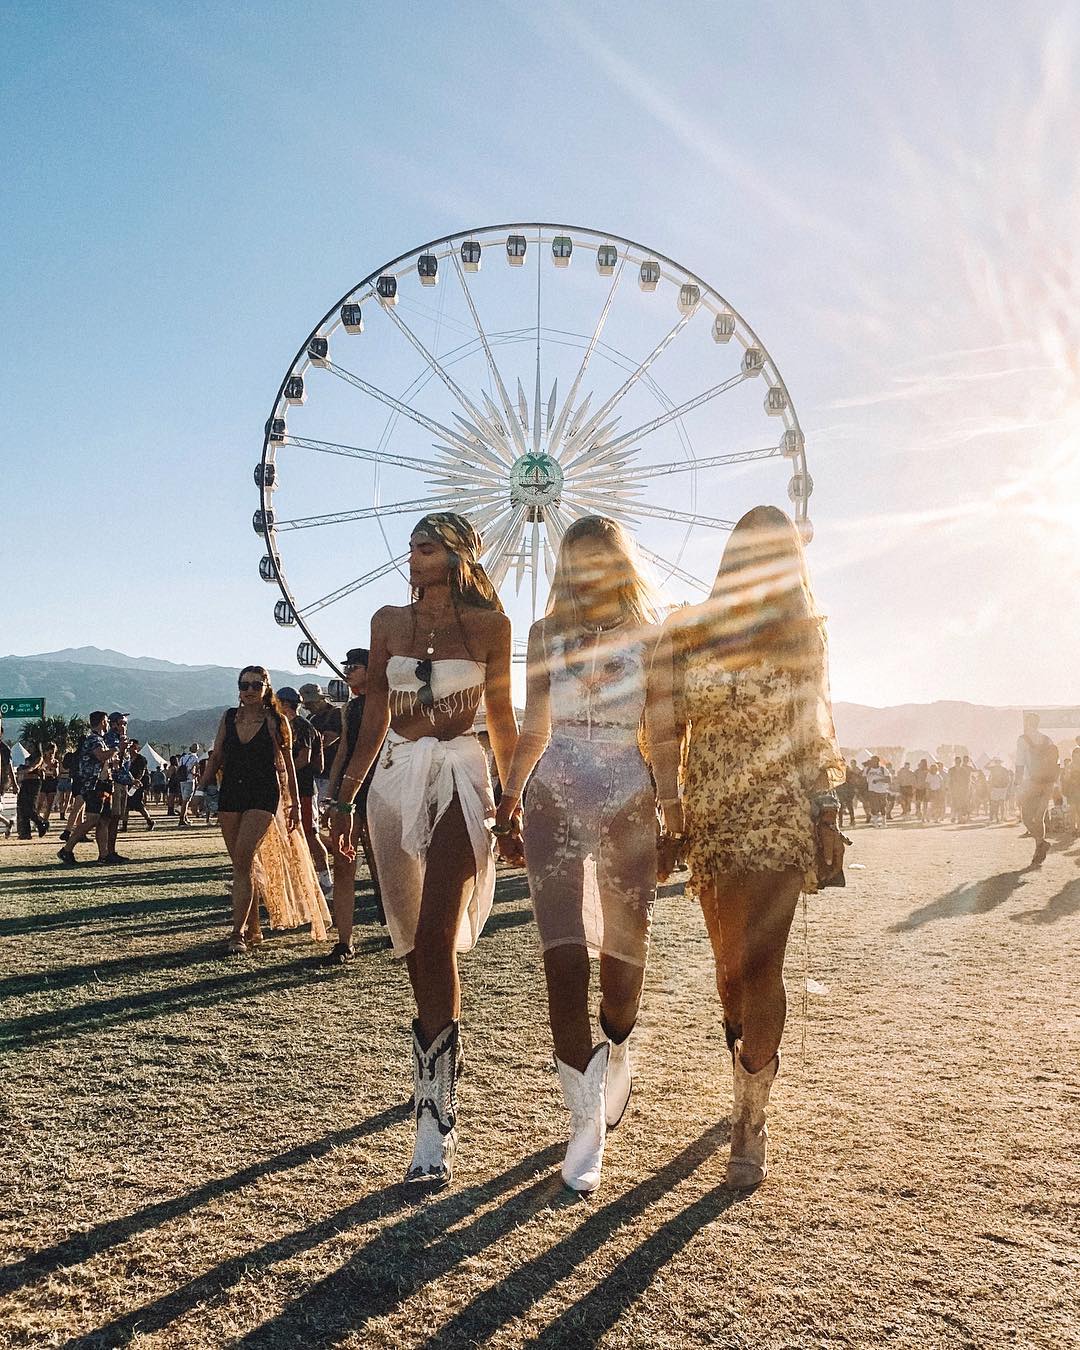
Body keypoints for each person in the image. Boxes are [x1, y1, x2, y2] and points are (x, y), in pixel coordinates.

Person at [648, 505, 845, 1190]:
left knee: (763, 964)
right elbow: (664, 720)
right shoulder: (689, 629)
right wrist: (669, 806)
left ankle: (749, 1121)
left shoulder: (804, 635)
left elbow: (812, 725)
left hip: (779, 811)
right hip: (713, 813)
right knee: (729, 968)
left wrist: (825, 805)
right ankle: (742, 1055)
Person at [329, 512, 518, 1185]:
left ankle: (433, 1121)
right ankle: (439, 1057)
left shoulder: (492, 627)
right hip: (395, 779)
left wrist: (512, 795)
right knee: (411, 942)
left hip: (463, 775)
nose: (413, 553)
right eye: (411, 544)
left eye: (427, 545)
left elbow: (500, 716)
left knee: (437, 933)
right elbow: (375, 715)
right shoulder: (387, 622)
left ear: (459, 554)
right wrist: (345, 797)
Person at [493, 516, 664, 1194]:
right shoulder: (544, 636)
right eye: (577, 560)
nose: (589, 572)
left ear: (619, 565)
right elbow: (534, 722)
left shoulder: (653, 638)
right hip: (553, 801)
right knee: (562, 961)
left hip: (628, 800)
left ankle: (618, 1046)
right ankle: (583, 1122)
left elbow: (663, 728)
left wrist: (673, 812)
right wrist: (509, 796)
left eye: (601, 560)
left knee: (623, 972)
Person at [198, 666, 326, 954]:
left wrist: (292, 803)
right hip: (231, 791)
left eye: (257, 685)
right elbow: (217, 755)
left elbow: (289, 763)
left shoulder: (275, 720)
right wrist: (199, 789)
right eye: (245, 685)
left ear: (267, 688)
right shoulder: (229, 717)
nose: (250, 690)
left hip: (263, 793)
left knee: (243, 858)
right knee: (242, 865)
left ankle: (237, 933)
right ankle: (253, 927)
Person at [322, 647, 382, 963]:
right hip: (352, 791)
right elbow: (344, 751)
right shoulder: (351, 709)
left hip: (384, 787)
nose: (348, 671)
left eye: (355, 666)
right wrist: (331, 795)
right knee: (343, 864)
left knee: (387, 863)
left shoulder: (390, 702)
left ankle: (405, 932)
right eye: (347, 666)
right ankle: (344, 941)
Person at [276, 686, 331, 898]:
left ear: (286, 704)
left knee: (310, 835)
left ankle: (325, 880)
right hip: (292, 788)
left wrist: (282, 773)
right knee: (291, 835)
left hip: (304, 789)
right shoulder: (286, 726)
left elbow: (304, 759)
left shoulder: (302, 727)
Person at [57, 712, 116, 864]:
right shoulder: (93, 739)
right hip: (93, 785)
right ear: (102, 721)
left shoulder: (101, 740)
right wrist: (116, 749)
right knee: (92, 819)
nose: (108, 723)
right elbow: (101, 756)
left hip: (104, 784)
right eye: (107, 720)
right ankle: (67, 849)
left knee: (103, 820)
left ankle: (104, 855)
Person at [1016, 713, 1057, 867]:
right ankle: (1038, 851)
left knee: (1026, 817)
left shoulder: (1023, 740)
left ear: (1027, 723)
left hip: (1031, 782)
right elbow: (1055, 762)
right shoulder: (1047, 739)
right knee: (1040, 817)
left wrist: (1017, 785)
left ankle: (1040, 843)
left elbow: (1019, 764)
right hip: (1048, 782)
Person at [300, 683, 342, 807]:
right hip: (316, 772)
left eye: (309, 704)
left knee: (325, 808)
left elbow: (328, 740)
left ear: (319, 700)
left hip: (330, 773)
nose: (307, 707)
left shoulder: (336, 715)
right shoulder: (311, 717)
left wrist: (305, 750)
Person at [16, 747, 49, 839]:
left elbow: (33, 767)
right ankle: (25, 833)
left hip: (34, 784)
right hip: (25, 783)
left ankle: (41, 823)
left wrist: (22, 771)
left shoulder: (39, 758)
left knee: (30, 808)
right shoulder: (27, 758)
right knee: (22, 807)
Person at [176, 743, 200, 828]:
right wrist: (196, 775)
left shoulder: (183, 757)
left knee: (184, 799)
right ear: (197, 750)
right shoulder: (195, 758)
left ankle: (185, 818)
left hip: (182, 780)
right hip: (189, 780)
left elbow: (178, 768)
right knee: (186, 801)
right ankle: (181, 819)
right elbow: (196, 769)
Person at [38, 743, 61, 824]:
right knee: (40, 803)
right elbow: (39, 771)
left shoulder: (55, 762)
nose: (51, 754)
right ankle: (37, 820)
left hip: (52, 782)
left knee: (49, 804)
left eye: (53, 753)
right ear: (46, 752)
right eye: (50, 752)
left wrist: (54, 768)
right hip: (43, 782)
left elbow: (56, 774)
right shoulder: (42, 760)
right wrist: (43, 769)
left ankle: (45, 820)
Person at [865, 756, 891, 827]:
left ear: (877, 761)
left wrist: (879, 780)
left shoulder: (883, 769)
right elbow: (863, 778)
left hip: (882, 791)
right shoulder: (868, 769)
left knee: (883, 806)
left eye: (874, 761)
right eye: (871, 761)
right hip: (872, 790)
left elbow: (889, 780)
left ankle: (884, 822)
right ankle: (875, 822)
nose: (872, 762)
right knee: (873, 806)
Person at [837, 761, 859, 829]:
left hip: (846, 789)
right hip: (844, 789)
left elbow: (855, 777)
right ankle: (848, 821)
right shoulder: (846, 770)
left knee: (844, 806)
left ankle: (844, 822)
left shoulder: (843, 770)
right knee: (845, 806)